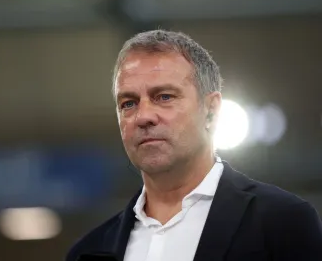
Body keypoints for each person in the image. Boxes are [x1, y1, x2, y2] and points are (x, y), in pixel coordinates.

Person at [66, 30, 322, 261]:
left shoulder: (282, 224)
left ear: (211, 111)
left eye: (164, 97)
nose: (143, 116)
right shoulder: (88, 251)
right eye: (129, 103)